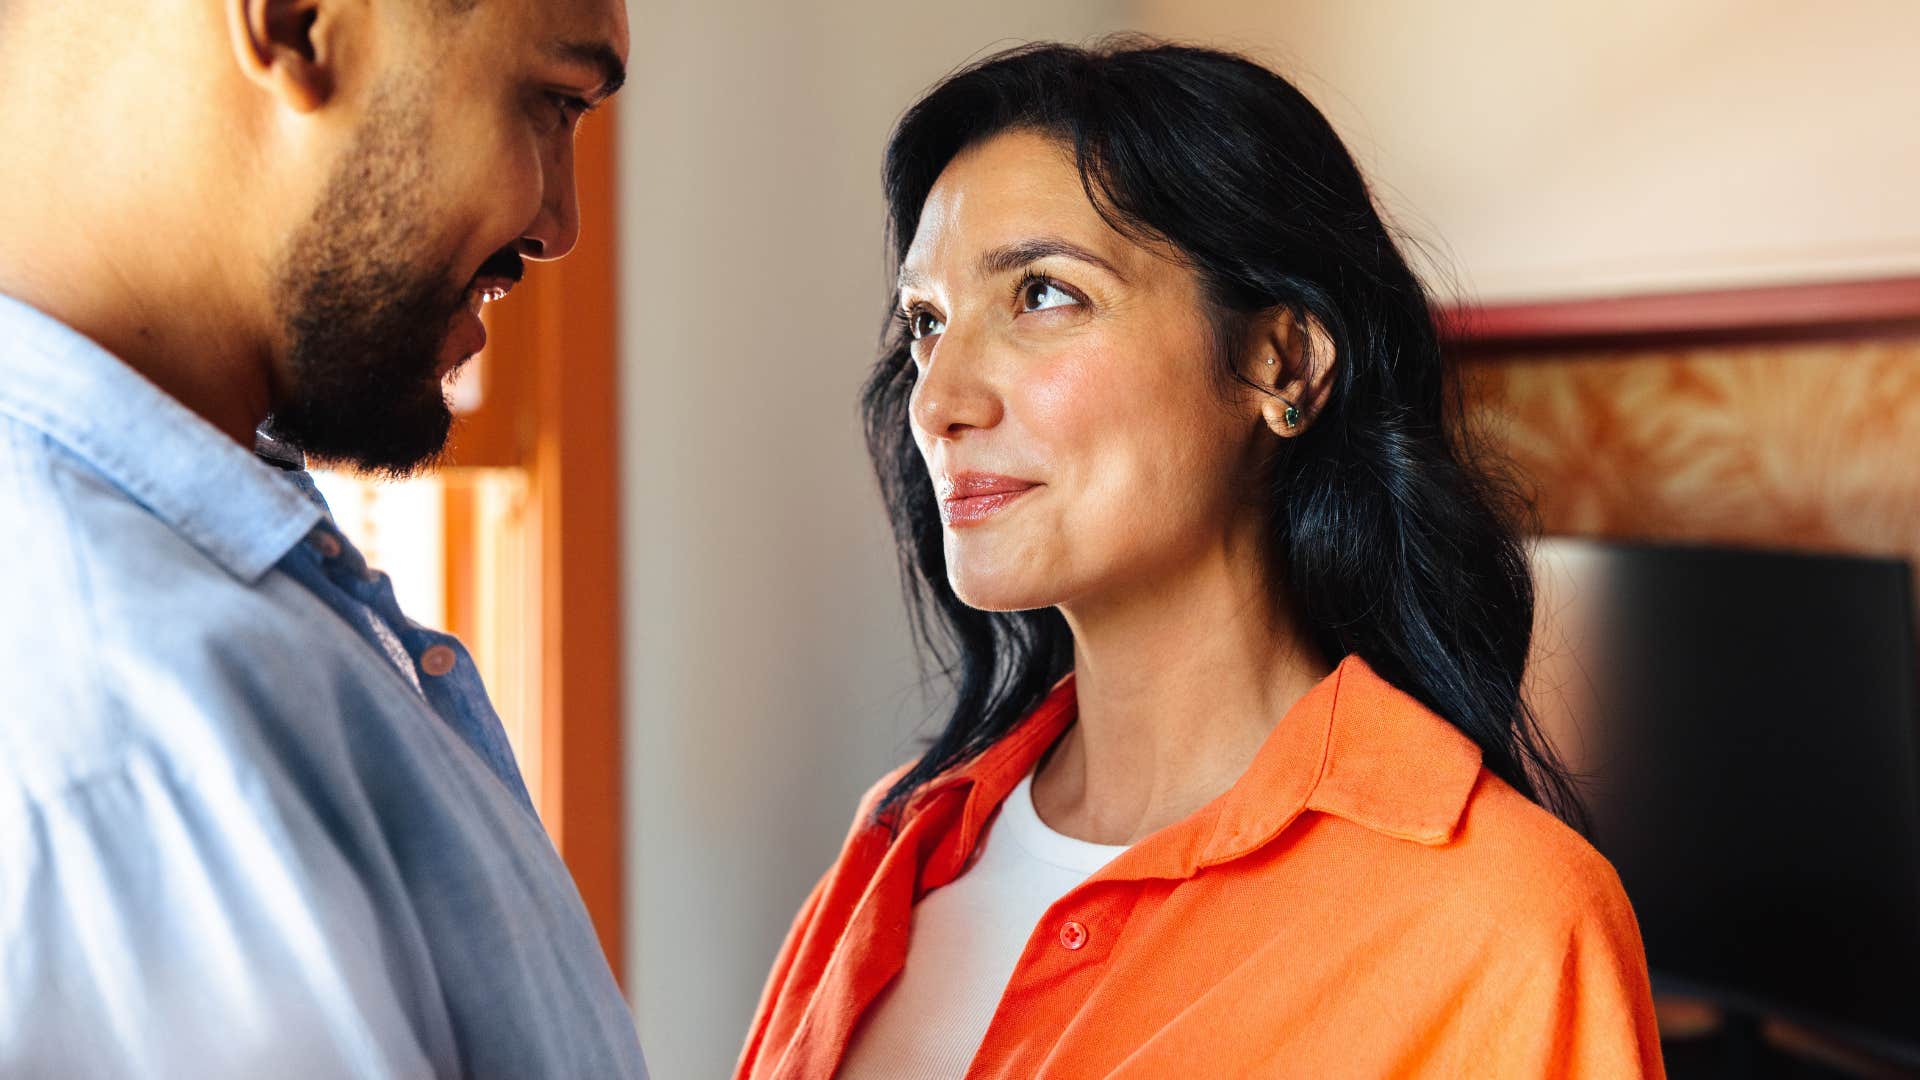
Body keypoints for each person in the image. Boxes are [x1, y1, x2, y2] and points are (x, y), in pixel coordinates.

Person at [738, 39, 1665, 1079]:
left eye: (1043, 294)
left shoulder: (1505, 924)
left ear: (1283, 363)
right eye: (926, 321)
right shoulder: (898, 836)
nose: (939, 401)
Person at [0, 0, 645, 1075]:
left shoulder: (245, 614)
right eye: (550, 99)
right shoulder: (133, 744)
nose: (560, 225)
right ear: (300, 23)